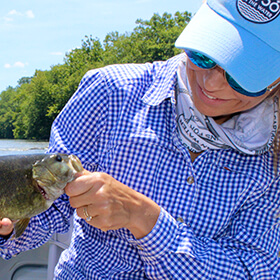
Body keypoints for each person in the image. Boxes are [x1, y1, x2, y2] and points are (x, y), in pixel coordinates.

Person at [1, 0, 280, 278]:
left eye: (242, 76)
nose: (212, 84)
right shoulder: (109, 91)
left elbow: (256, 270)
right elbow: (51, 205)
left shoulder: (274, 164)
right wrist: (8, 229)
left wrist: (145, 219)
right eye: (203, 55)